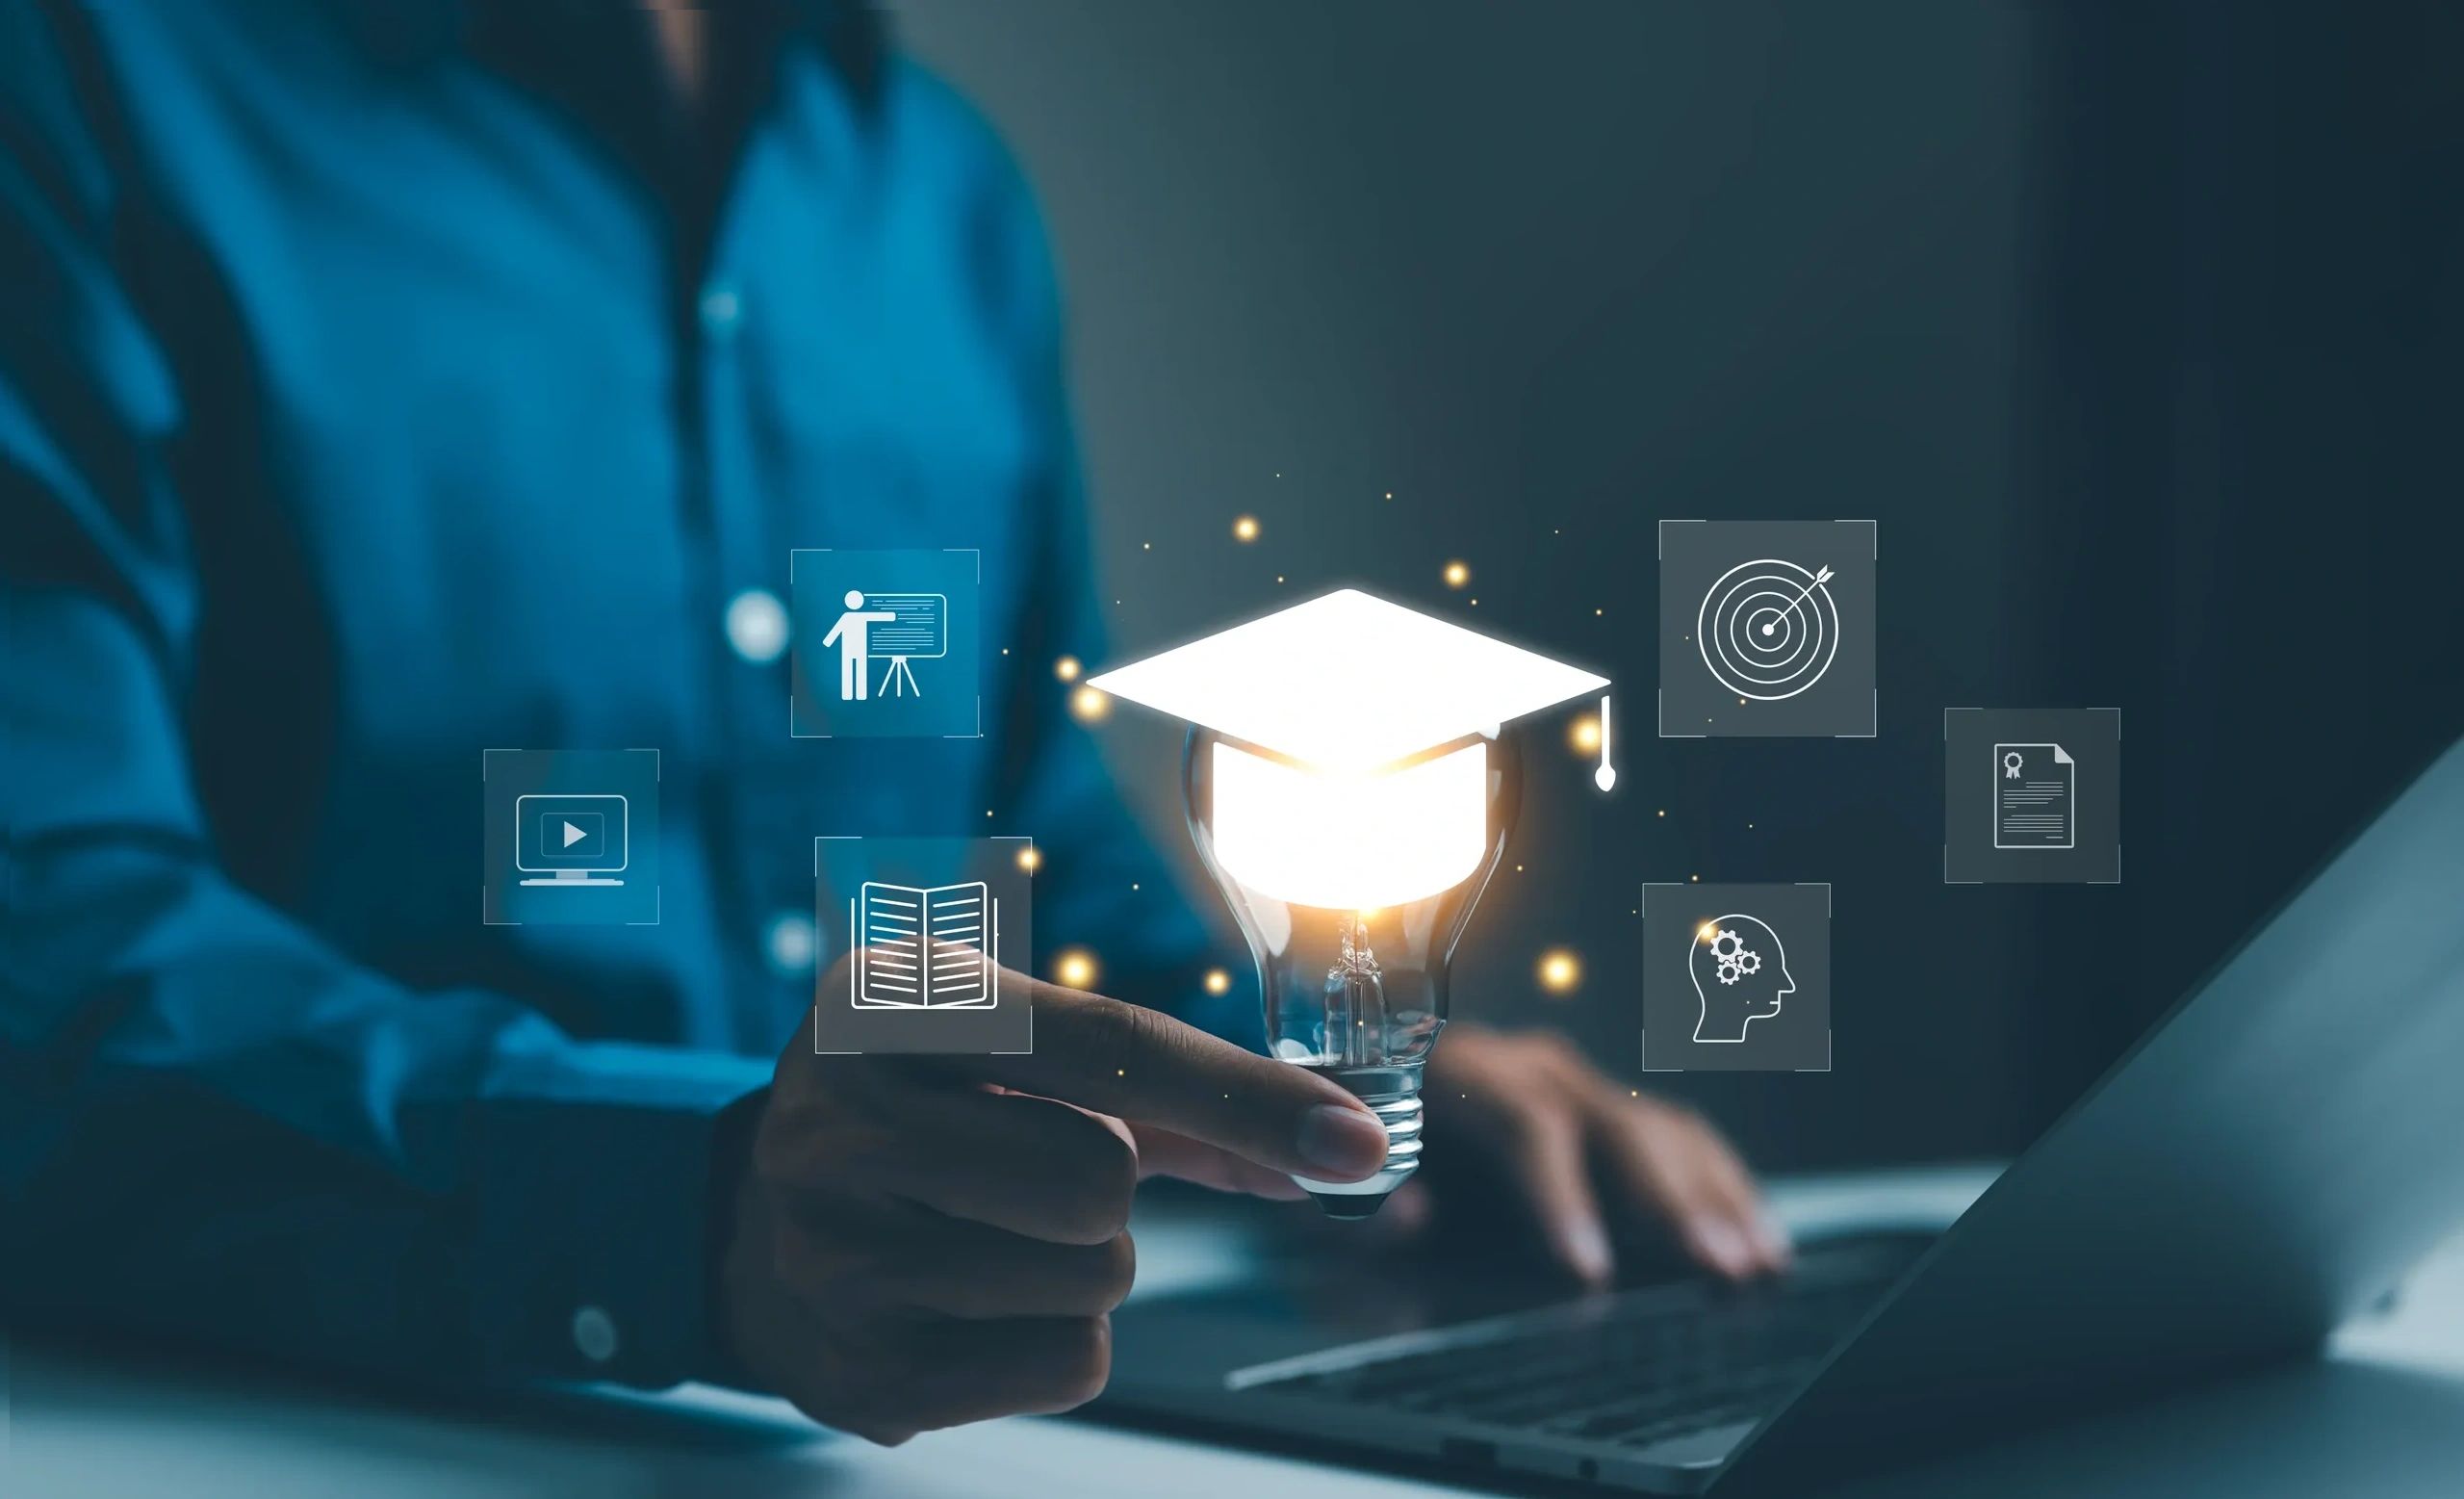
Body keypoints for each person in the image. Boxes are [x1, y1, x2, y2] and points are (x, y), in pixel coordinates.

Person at [0, 0, 1784, 1445]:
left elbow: (1011, 839)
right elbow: (44, 941)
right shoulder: (82, 84)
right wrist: (693, 1212)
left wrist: (1331, 1087)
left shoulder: (934, 193)